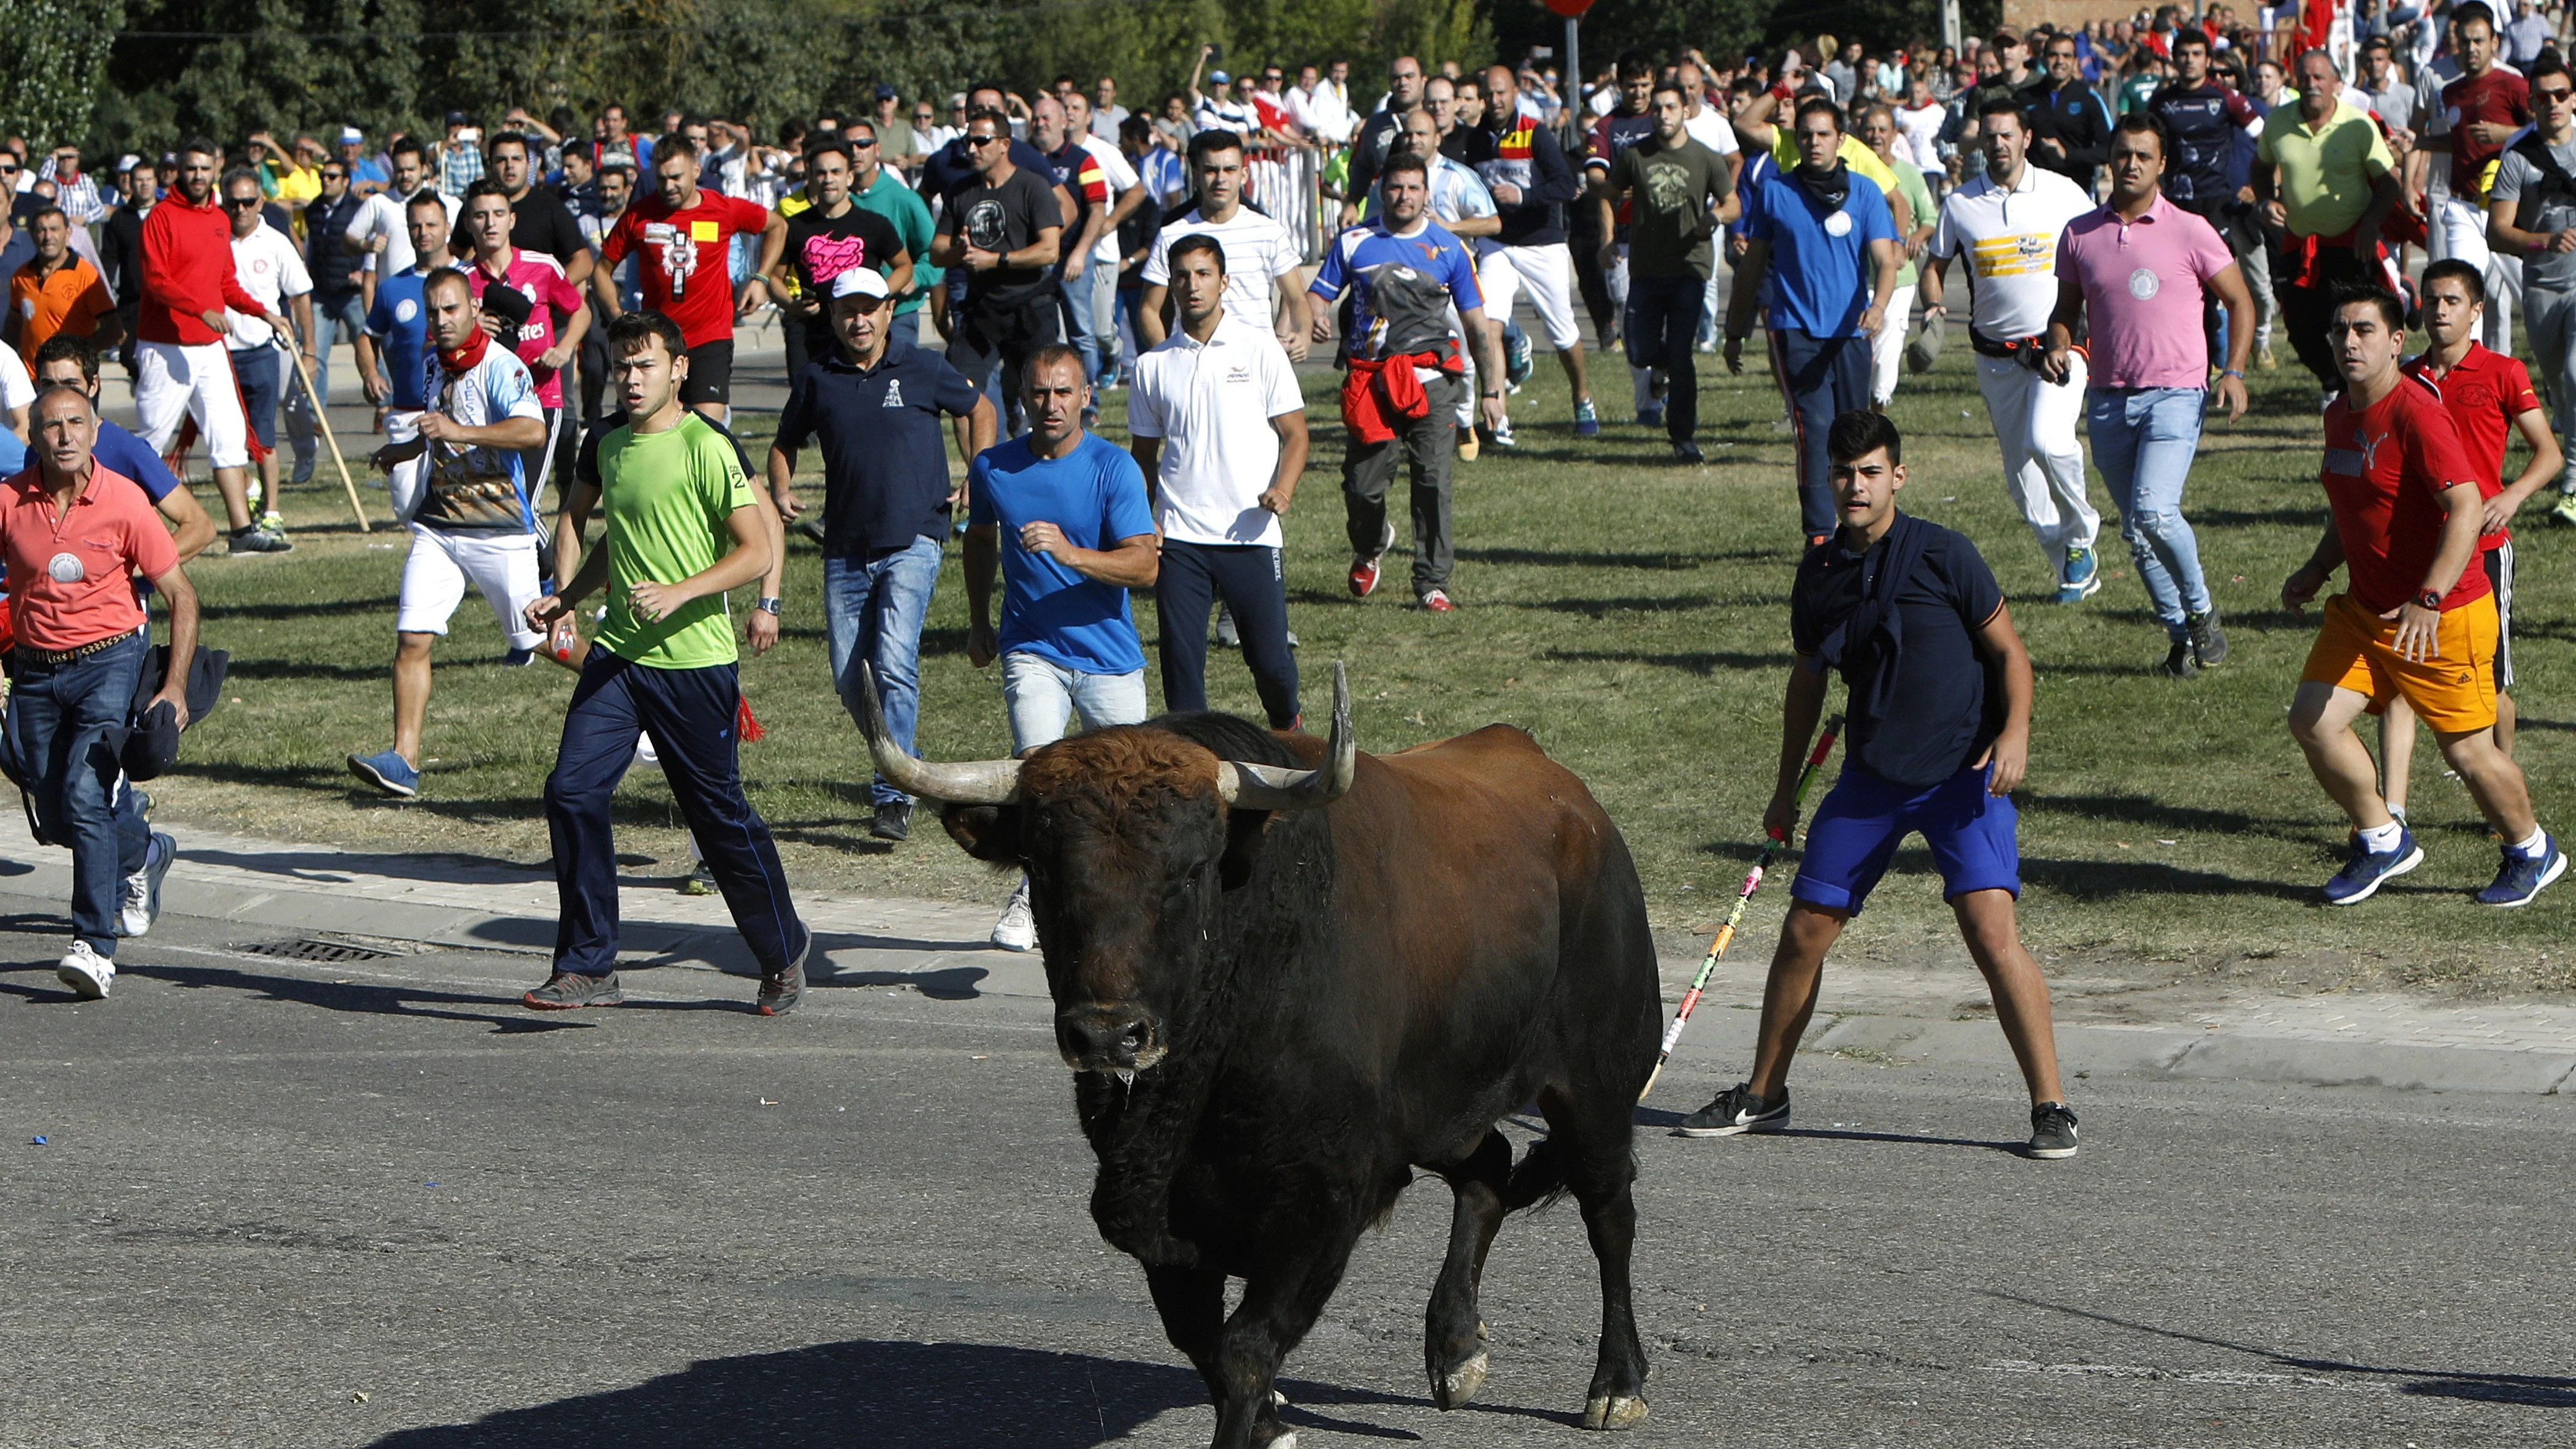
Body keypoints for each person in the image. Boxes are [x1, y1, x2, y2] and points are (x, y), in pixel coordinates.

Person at [1674, 411, 2076, 1161]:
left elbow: (2011, 654)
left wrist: (2015, 733)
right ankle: (1764, 1095)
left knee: (1992, 935)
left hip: (1964, 778)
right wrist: (1785, 787)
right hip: (1871, 778)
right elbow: (1806, 681)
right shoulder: (1821, 574)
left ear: (1898, 475)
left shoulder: (1945, 554)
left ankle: (2052, 1105)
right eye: (1842, 472)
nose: (1854, 486)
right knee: (1804, 931)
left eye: (1869, 472)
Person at [521, 309, 808, 1013]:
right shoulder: (610, 443)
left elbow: (756, 550)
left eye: (645, 364)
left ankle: (782, 950)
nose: (631, 378)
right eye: (622, 366)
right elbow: (618, 544)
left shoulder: (707, 446)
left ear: (680, 369)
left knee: (716, 813)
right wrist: (569, 597)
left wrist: (681, 591)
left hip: (695, 664)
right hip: (618, 657)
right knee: (571, 791)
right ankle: (588, 964)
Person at [2282, 283, 2561, 908]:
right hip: (2365, 611)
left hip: (2443, 614)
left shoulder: (2416, 411)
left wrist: (2428, 599)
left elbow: (2465, 507)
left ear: (2395, 341)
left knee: (2466, 751)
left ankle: (2532, 848)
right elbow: (2351, 508)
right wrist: (2318, 567)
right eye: (2339, 331)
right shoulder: (2339, 413)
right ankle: (2382, 838)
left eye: (2364, 330)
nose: (2349, 342)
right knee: (2313, 720)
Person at [767, 267, 994, 842]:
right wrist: (781, 487)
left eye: (870, 309)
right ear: (834, 316)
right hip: (844, 544)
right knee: (850, 679)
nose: (859, 320)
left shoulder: (921, 366)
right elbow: (784, 441)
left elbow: (981, 410)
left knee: (893, 663)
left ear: (890, 312)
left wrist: (977, 474)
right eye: (848, 310)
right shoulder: (820, 376)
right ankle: (902, 760)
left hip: (915, 535)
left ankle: (894, 793)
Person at [2, 384, 199, 1000]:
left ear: (94, 430)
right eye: (51, 425)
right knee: (55, 813)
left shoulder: (124, 501)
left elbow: (182, 596)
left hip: (108, 662)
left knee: (85, 794)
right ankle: (142, 848)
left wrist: (173, 686)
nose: (64, 434)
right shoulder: (9, 500)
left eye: (75, 422)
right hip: (34, 671)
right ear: (30, 435)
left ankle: (94, 943)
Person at [962, 345, 1159, 951]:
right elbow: (979, 539)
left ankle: (1138, 899)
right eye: (1040, 392)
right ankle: (1032, 894)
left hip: (1109, 656)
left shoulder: (1113, 467)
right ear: (1023, 397)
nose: (1051, 404)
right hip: (1032, 646)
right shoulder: (994, 466)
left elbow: (1146, 565)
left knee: (1133, 788)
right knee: (1040, 773)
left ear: (1086, 397)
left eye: (1064, 392)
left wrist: (1069, 550)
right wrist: (977, 619)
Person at [2044, 115, 2250, 678]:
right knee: (2136, 531)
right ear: (2109, 161)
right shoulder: (2080, 233)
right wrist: (2058, 344)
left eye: (2143, 155)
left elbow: (2240, 301)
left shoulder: (2191, 229)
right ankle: (2180, 639)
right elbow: (2065, 311)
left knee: (2155, 512)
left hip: (2177, 393)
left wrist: (2232, 370)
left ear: (2162, 165)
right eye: (2122, 154)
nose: (2131, 164)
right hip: (2109, 396)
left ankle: (2203, 612)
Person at [346, 267, 550, 798]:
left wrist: (459, 431)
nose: (440, 321)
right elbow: (441, 427)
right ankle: (403, 762)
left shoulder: (503, 367)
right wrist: (407, 450)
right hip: (438, 526)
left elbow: (532, 430)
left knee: (542, 638)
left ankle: (639, 700)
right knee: (412, 637)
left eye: (451, 309)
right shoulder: (435, 363)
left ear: (473, 307)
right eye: (433, 312)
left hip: (499, 531)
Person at [2378, 259, 2558, 824]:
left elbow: (2549, 454)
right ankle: (2393, 811)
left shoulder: (2503, 372)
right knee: (2400, 682)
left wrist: (2511, 496)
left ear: (2477, 310)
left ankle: (2501, 786)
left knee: (2493, 681)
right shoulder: (2403, 377)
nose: (2439, 311)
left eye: (2452, 301)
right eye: (2431, 300)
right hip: (2416, 552)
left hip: (2482, 550)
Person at [1922, 95, 2104, 602]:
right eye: (1989, 136)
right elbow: (1934, 268)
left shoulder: (2063, 193)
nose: (1998, 144)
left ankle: (2083, 533)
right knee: (2023, 482)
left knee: (2047, 440)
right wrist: (1933, 310)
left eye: (2007, 135)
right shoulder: (1960, 204)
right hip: (1995, 358)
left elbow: (2099, 250)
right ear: (1980, 143)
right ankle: (2073, 564)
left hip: (2060, 345)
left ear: (2026, 138)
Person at [1308, 151, 1507, 613]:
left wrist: (1492, 394)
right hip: (1371, 381)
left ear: (1426, 193)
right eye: (1395, 187)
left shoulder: (1449, 249)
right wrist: (1315, 318)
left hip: (1431, 380)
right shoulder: (1355, 241)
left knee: (1433, 480)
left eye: (1413, 188)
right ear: (1382, 189)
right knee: (1362, 486)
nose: (1404, 196)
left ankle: (1432, 582)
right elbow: (1318, 295)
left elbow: (1478, 327)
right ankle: (1371, 543)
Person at [1129, 234, 1306, 727]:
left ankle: (1289, 733)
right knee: (1182, 669)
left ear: (1224, 282)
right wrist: (1145, 522)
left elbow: (1295, 436)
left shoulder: (1260, 349)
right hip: (1180, 539)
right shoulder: (1152, 366)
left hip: (1250, 534)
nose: (1192, 285)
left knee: (1271, 663)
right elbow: (1142, 456)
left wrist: (1282, 490)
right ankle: (1193, 769)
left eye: (1204, 274)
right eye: (1182, 275)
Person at [1723, 99, 1901, 546]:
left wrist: (1878, 305)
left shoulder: (1864, 192)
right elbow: (1752, 266)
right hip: (1795, 329)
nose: (1814, 142)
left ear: (1841, 140)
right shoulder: (1776, 192)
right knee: (1815, 429)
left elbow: (1886, 259)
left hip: (1852, 332)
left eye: (1824, 134)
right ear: (1795, 140)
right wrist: (1734, 330)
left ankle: (1864, 526)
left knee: (1856, 434)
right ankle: (1821, 535)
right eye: (1806, 135)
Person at [136, 140, 286, 554]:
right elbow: (156, 281)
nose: (198, 176)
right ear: (180, 171)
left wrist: (265, 313)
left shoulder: (220, 219)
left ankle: (241, 533)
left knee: (230, 435)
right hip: (165, 347)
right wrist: (201, 309)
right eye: (191, 168)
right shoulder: (161, 218)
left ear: (215, 169)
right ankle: (122, 524)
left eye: (205, 169)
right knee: (151, 438)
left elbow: (226, 284)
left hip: (209, 347)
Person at [1461, 64, 1600, 443]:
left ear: (1515, 94)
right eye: (1489, 94)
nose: (1495, 100)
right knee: (1488, 325)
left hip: (1543, 243)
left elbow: (1566, 184)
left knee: (1563, 333)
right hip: (1499, 243)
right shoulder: (1477, 140)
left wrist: (1524, 197)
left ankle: (1582, 395)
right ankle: (1498, 417)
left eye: (1502, 93)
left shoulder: (1535, 133)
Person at [594, 135, 778, 422]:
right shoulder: (639, 216)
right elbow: (601, 270)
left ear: (696, 170)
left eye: (676, 177)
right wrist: (617, 316)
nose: (669, 187)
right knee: (657, 426)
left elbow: (778, 226)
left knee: (706, 430)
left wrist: (761, 279)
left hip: (709, 338)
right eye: (661, 178)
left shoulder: (723, 209)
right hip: (658, 341)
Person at [1600, 82, 1736, 464]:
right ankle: (1658, 367)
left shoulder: (1706, 158)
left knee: (1681, 353)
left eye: (1670, 108)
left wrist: (1716, 216)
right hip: (1645, 266)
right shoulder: (1634, 156)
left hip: (1689, 266)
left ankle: (1684, 438)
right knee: (1639, 348)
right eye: (1657, 109)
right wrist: (1608, 239)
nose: (1663, 115)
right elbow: (1609, 194)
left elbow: (1734, 203)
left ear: (1685, 111)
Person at [2257, 48, 2404, 401]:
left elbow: (2389, 183)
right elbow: (2260, 167)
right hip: (2300, 242)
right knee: (2299, 328)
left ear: (2336, 83)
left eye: (2320, 78)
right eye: (2304, 78)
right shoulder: (2278, 123)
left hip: (2352, 243)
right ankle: (2335, 383)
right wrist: (2267, 200)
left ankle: (2376, 389)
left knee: (2362, 325)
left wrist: (2372, 223)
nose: (2312, 85)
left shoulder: (2358, 124)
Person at [457, 179, 588, 519]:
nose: (490, 224)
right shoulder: (460, 281)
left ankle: (548, 573)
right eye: (481, 216)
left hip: (541, 397)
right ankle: (541, 569)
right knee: (495, 506)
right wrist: (470, 332)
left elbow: (581, 311)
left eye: (499, 214)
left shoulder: (542, 266)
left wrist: (564, 348)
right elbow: (439, 343)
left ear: (512, 220)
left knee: (524, 504)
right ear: (468, 223)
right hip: (488, 405)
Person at [30, 334, 218, 564]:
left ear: (93, 386)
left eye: (72, 384)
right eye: (49, 385)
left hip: (120, 597)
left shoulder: (127, 449)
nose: (60, 395)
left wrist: (135, 568)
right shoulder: (39, 448)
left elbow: (200, 527)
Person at [931, 109, 1066, 425]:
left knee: (1040, 390)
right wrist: (958, 251)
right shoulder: (961, 192)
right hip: (983, 309)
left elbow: (1050, 250)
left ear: (1005, 144)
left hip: (1031, 304)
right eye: (968, 141)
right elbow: (937, 252)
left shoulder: (1032, 186)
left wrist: (996, 260)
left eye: (981, 141)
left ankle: (1038, 457)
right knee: (961, 387)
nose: (971, 149)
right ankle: (978, 469)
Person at [2487, 53, 2576, 528]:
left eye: (2561, 94)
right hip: (2543, 285)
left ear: (2574, 97)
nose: (2553, 104)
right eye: (2542, 97)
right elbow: (2497, 233)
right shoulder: (2519, 155)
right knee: (2562, 391)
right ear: (2531, 103)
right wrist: (2544, 240)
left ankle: (2572, 485)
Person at [1137, 129, 1313, 360]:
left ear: (1244, 175)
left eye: (1230, 170)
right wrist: (1165, 359)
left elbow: (1297, 298)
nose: (1221, 179)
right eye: (1211, 170)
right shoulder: (1172, 234)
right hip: (1194, 363)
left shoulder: (1268, 231)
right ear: (1197, 176)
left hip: (1255, 363)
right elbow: (1149, 310)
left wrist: (1304, 334)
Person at [757, 135, 912, 385]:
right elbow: (773, 277)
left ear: (849, 177)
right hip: (813, 334)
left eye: (836, 172)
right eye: (821, 173)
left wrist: (879, 295)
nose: (828, 179)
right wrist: (791, 304)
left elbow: (904, 266)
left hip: (861, 331)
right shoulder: (794, 227)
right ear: (811, 178)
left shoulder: (874, 224)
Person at [2423, 2, 2531, 354]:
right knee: (2462, 295)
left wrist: (2504, 133)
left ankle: (2559, 366)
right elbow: (2457, 142)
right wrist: (2416, 143)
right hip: (2464, 207)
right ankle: (2469, 377)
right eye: (2466, 41)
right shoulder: (2450, 91)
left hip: (2510, 208)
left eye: (2479, 41)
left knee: (2533, 296)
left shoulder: (2513, 83)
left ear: (2494, 43)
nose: (2472, 49)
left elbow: (2543, 132)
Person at [221, 166, 313, 547]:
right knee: (228, 437)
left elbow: (300, 294)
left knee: (264, 437)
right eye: (233, 202)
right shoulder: (214, 241)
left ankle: (272, 512)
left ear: (260, 202)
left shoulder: (276, 242)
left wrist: (310, 350)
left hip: (262, 350)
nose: (240, 209)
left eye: (248, 201)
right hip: (220, 353)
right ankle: (248, 489)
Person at [355, 193, 456, 497]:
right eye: (415, 226)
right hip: (407, 413)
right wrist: (370, 373)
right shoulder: (392, 288)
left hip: (459, 417)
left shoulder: (468, 279)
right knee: (409, 506)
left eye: (431, 225)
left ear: (447, 228)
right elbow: (366, 336)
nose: (423, 233)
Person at [285, 155, 368, 488]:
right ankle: (316, 415)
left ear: (346, 181)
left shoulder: (358, 208)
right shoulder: (316, 208)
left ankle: (385, 402)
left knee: (370, 346)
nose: (327, 181)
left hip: (352, 292)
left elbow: (369, 241)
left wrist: (365, 271)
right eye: (324, 176)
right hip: (321, 291)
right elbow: (310, 246)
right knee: (314, 354)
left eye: (334, 176)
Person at [1858, 104, 1936, 409]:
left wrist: (1913, 238)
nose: (1876, 136)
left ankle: (1879, 401)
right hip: (1859, 273)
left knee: (1889, 339)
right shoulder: (1850, 170)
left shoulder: (1909, 174)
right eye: (1870, 130)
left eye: (1882, 130)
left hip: (1900, 276)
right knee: (1864, 342)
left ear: (1894, 135)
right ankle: (1859, 399)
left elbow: (1929, 216)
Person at [344, 139, 460, 312]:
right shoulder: (379, 203)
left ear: (424, 168)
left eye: (411, 170)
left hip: (441, 303)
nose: (405, 176)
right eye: (400, 171)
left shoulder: (449, 205)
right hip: (395, 305)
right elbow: (348, 240)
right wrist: (366, 245)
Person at [7, 205, 120, 365]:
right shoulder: (21, 276)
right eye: (41, 230)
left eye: (54, 229)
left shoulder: (86, 275)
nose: (48, 237)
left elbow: (114, 330)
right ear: (32, 235)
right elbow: (13, 325)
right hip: (31, 381)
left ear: (68, 234)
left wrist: (79, 356)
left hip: (72, 379)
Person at [2018, 31, 2117, 193]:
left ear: (2075, 62)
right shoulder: (2024, 98)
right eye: (2053, 55)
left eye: (2066, 56)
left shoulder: (2088, 99)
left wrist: (2068, 155)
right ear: (2043, 59)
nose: (2060, 61)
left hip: (2077, 190)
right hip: (2034, 192)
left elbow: (2109, 149)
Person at [1344, 55, 1428, 227]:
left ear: (1423, 80)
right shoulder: (1375, 125)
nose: (1403, 83)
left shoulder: (1437, 118)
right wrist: (1352, 204)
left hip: (1433, 212)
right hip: (1389, 214)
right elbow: (1361, 167)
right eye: (1396, 78)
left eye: (1409, 76)